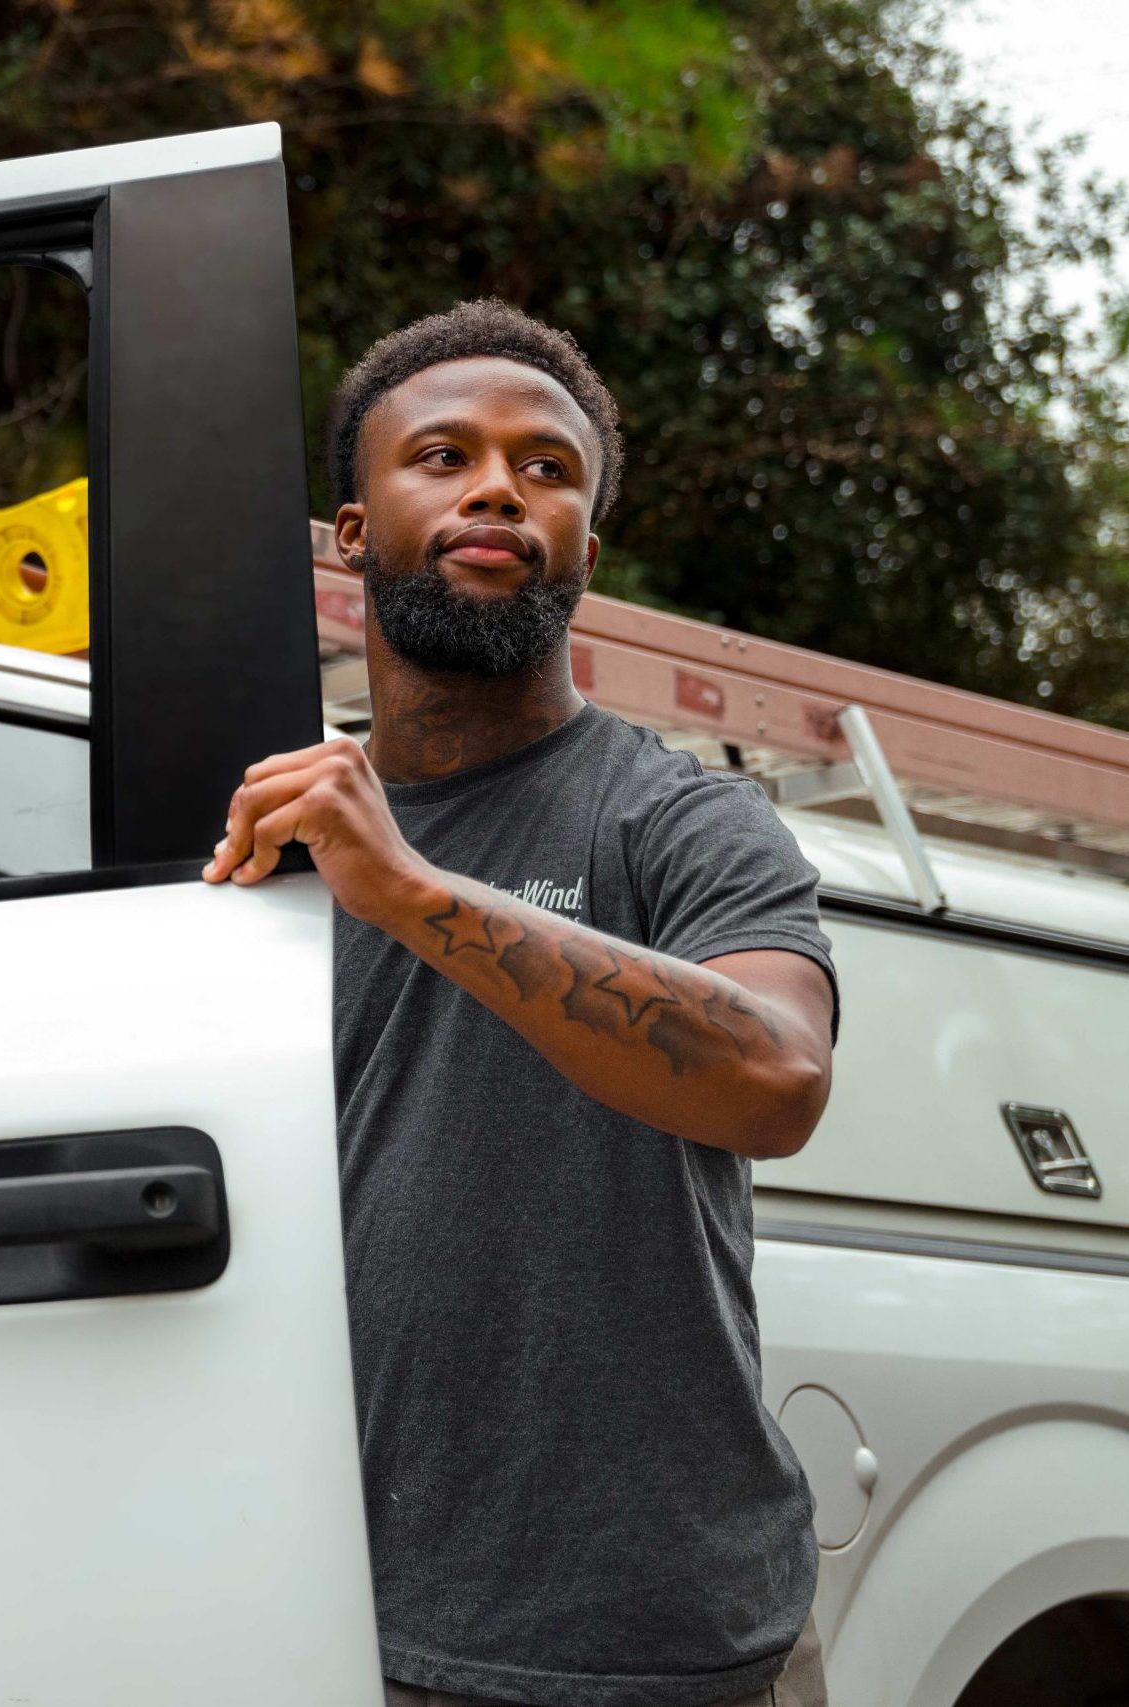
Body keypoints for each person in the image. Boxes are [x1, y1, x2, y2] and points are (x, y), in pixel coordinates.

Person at [202, 300, 838, 1707]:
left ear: (585, 555)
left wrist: (416, 894)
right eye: (443, 455)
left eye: (547, 469)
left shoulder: (684, 822)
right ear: (353, 531)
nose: (500, 485)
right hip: (319, 1614)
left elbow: (779, 1079)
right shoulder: (260, 836)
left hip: (662, 1645)